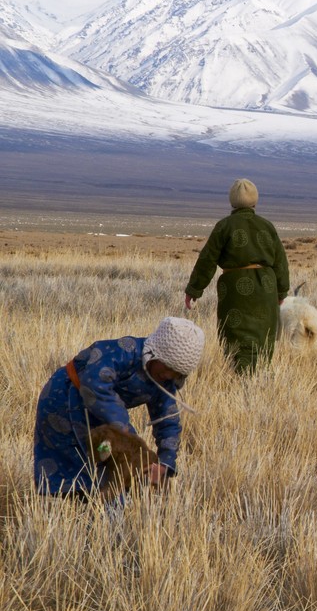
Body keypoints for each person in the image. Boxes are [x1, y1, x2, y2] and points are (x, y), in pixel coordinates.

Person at [33, 316, 204, 499]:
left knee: (112, 464)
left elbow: (167, 422)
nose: (169, 375)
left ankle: (101, 512)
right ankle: (83, 512)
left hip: (104, 417)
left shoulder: (164, 381)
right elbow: (94, 384)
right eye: (168, 367)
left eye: (177, 373)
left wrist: (165, 463)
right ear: (154, 353)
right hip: (65, 401)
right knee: (79, 466)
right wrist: (123, 431)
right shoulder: (123, 351)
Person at [184, 178, 290, 373]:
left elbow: (207, 260)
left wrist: (194, 290)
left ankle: (240, 377)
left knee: (236, 332)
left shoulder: (224, 226)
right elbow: (280, 262)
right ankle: (259, 376)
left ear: (232, 201)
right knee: (262, 333)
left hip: (234, 289)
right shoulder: (267, 226)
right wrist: (281, 292)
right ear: (255, 201)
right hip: (266, 287)